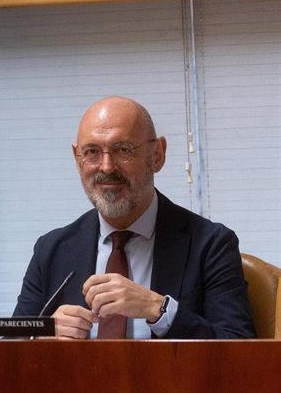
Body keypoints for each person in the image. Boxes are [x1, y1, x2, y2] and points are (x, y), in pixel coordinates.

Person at [13, 96, 256, 339]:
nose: (107, 167)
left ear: (157, 155)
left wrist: (158, 309)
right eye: (92, 152)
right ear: (78, 160)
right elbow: (8, 351)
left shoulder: (211, 244)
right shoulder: (51, 249)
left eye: (123, 150)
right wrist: (41, 335)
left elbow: (240, 347)